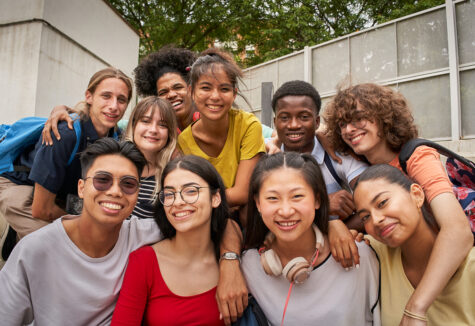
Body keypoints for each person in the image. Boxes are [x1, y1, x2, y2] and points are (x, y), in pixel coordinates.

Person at [324, 83, 473, 323]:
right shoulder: (360, 172)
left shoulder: (417, 157)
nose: (349, 129)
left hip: (450, 277)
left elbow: (457, 230)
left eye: (359, 118)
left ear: (384, 117)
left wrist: (416, 307)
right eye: (342, 125)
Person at [0, 138, 162, 325]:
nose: (116, 191)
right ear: (81, 188)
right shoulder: (35, 250)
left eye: (128, 184)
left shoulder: (141, 234)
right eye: (103, 180)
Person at [241, 152, 380, 325]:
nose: (285, 211)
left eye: (297, 196)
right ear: (258, 204)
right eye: (272, 198)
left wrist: (334, 224)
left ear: (317, 199)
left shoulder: (358, 255)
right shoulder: (249, 266)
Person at [0, 67, 132, 238]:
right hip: (18, 182)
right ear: (89, 96)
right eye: (106, 96)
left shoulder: (115, 138)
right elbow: (42, 209)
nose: (113, 106)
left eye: (121, 99)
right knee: (54, 243)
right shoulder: (64, 134)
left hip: (58, 191)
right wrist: (86, 224)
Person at [112, 155, 228, 325]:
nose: (178, 202)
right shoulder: (144, 261)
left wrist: (232, 261)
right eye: (169, 194)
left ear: (215, 198)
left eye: (191, 191)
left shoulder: (232, 260)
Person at [354, 164, 474, 325]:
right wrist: (335, 227)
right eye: (365, 217)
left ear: (416, 195)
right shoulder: (374, 254)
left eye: (382, 203)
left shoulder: (470, 267)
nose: (376, 220)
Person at [272, 80, 368, 268]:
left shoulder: (339, 157)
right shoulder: (267, 160)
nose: (293, 125)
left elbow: (373, 202)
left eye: (304, 117)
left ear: (317, 122)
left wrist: (341, 228)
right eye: (284, 118)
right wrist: (324, 210)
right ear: (275, 122)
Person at [178, 47, 265, 217]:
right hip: (208, 217)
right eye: (206, 88)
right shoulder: (183, 141)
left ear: (234, 94)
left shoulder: (248, 125)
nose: (215, 96)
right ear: (191, 92)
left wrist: (203, 198)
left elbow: (241, 193)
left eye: (224, 89)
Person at [123, 96, 178, 219]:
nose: (153, 130)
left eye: (163, 125)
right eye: (146, 121)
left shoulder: (172, 176)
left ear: (170, 134)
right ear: (133, 125)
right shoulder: (114, 162)